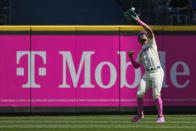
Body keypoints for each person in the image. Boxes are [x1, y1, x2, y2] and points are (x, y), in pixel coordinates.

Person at [128, 16, 165, 123]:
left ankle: (161, 116)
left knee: (156, 94)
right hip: (147, 74)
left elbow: (149, 30)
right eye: (141, 35)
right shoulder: (140, 52)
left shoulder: (151, 43)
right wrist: (130, 57)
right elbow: (136, 65)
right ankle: (140, 114)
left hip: (157, 72)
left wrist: (138, 21)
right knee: (139, 93)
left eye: (144, 34)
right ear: (139, 39)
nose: (143, 35)